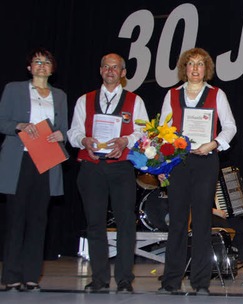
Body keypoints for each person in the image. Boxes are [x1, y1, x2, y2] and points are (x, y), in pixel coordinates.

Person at [157, 47, 237, 295]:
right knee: (177, 222)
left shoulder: (217, 94)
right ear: (184, 68)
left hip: (205, 162)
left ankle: (201, 282)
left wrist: (213, 144)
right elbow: (162, 132)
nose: (195, 69)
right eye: (190, 64)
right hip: (179, 162)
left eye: (200, 64)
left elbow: (230, 127)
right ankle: (171, 281)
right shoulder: (171, 95)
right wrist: (162, 163)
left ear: (207, 69)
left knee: (202, 221)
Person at [67, 53, 149, 293]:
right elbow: (73, 132)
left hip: (122, 167)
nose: (110, 71)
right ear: (101, 71)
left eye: (116, 67)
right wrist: (84, 140)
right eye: (106, 66)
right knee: (95, 223)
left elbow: (143, 133)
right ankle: (99, 278)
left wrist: (125, 140)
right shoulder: (85, 100)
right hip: (92, 167)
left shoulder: (135, 101)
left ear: (123, 73)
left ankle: (124, 279)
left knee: (126, 223)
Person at [0, 48, 68, 292]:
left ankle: (31, 276)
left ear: (52, 68)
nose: (41, 65)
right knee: (16, 218)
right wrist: (19, 125)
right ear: (29, 67)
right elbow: (2, 121)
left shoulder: (59, 95)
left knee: (39, 220)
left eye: (46, 62)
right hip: (19, 160)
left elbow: (64, 128)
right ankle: (10, 275)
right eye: (37, 62)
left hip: (46, 160)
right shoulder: (14, 89)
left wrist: (62, 134)